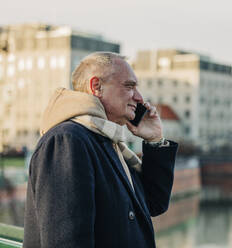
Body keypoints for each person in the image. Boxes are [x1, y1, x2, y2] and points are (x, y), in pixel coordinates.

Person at [23, 52, 178, 248]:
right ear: (96, 86)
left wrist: (155, 140)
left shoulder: (106, 140)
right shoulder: (67, 140)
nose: (139, 98)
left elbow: (153, 203)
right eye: (129, 86)